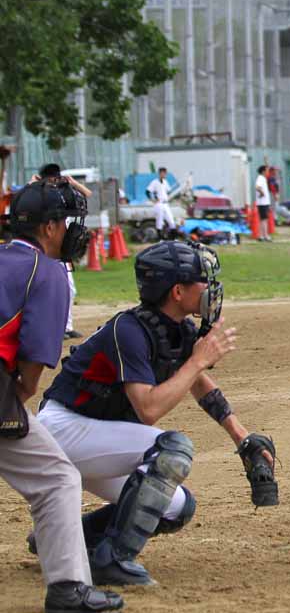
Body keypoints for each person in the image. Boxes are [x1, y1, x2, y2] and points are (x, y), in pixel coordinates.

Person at [35, 240, 277, 586]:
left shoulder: (174, 328)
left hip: (96, 438)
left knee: (175, 507)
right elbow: (148, 409)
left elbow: (199, 383)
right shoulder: (129, 330)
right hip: (64, 429)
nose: (210, 288)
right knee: (171, 448)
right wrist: (196, 360)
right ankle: (113, 559)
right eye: (201, 280)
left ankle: (68, 542)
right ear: (177, 291)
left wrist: (241, 436)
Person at [0, 181, 123, 612]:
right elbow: (32, 374)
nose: (73, 231)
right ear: (50, 227)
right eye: (68, 222)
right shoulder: (46, 271)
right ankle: (68, 588)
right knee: (57, 479)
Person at [34, 164, 93, 339]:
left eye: (56, 177)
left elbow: (88, 195)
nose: (54, 181)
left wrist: (72, 182)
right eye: (51, 178)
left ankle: (66, 327)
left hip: (63, 247)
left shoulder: (63, 192)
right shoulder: (38, 194)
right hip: (48, 246)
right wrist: (34, 183)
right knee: (49, 289)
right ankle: (54, 328)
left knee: (69, 288)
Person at [146, 167, 176, 241]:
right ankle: (160, 239)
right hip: (159, 204)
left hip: (165, 203)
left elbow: (169, 191)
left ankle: (173, 238)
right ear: (160, 173)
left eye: (165, 173)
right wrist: (153, 199)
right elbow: (147, 191)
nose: (164, 174)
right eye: (163, 173)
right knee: (159, 221)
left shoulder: (165, 182)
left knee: (171, 221)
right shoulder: (155, 182)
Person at [254, 165, 272, 242]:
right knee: (264, 219)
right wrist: (262, 193)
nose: (268, 172)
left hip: (263, 202)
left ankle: (261, 236)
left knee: (262, 219)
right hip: (263, 203)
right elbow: (257, 187)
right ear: (263, 171)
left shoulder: (262, 178)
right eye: (267, 170)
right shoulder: (260, 178)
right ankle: (265, 236)